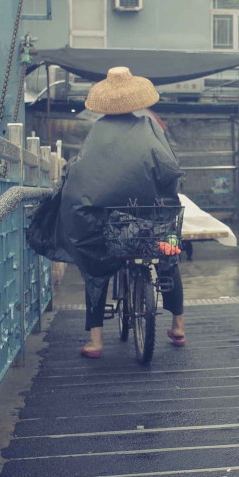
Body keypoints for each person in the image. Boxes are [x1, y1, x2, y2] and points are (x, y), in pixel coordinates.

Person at [56, 66, 187, 358]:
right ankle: (178, 326)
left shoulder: (98, 131)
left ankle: (96, 341)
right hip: (154, 220)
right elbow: (169, 168)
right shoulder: (150, 126)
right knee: (169, 256)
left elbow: (83, 174)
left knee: (95, 267)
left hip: (111, 223)